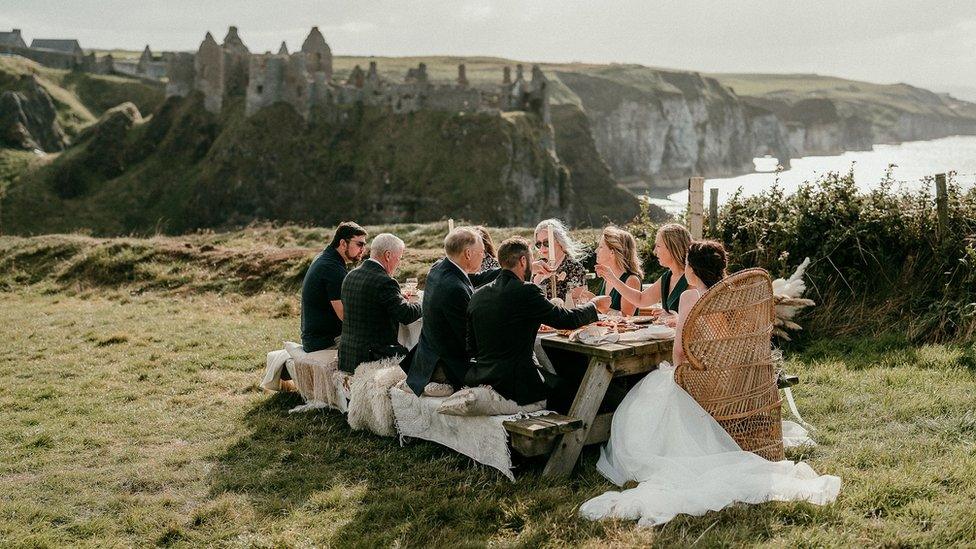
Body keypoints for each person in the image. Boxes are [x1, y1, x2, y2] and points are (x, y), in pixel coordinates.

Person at [580, 240, 841, 527]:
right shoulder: (734, 296)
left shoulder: (690, 298)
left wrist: (675, 377)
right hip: (738, 382)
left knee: (641, 399)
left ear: (691, 269)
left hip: (702, 384)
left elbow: (679, 354)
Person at [465, 236, 611, 407]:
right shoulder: (526, 291)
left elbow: (471, 347)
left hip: (481, 375)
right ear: (523, 261)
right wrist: (593, 306)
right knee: (579, 392)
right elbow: (567, 320)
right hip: (515, 383)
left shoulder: (478, 295)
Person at [402, 227, 500, 396]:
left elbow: (471, 279)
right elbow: (470, 340)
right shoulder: (455, 289)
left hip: (426, 356)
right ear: (468, 254)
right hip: (445, 365)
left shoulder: (439, 267)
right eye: (482, 252)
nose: (484, 256)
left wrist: (511, 270)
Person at [338, 233, 422, 374]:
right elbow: (406, 315)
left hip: (347, 355)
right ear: (388, 255)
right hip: (372, 357)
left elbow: (370, 301)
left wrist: (396, 297)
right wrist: (423, 302)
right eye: (399, 258)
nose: (399, 262)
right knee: (417, 356)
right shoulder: (385, 281)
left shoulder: (350, 275)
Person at [300, 221, 367, 353]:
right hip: (325, 342)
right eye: (359, 244)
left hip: (314, 338)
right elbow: (344, 315)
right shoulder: (332, 268)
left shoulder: (327, 258)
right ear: (343, 243)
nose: (363, 249)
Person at [597, 223, 691, 316]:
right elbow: (640, 299)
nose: (654, 251)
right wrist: (612, 279)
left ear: (672, 247)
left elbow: (700, 318)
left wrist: (674, 316)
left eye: (658, 246)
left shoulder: (692, 278)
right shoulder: (667, 277)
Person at [591, 226, 643, 316]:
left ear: (612, 252)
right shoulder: (606, 279)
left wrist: (596, 305)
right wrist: (590, 301)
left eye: (601, 247)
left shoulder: (631, 280)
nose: (596, 251)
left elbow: (626, 316)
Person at [532, 219, 587, 301]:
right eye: (538, 244)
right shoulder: (538, 264)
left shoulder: (574, 267)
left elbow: (579, 304)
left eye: (546, 242)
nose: (542, 248)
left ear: (559, 241)